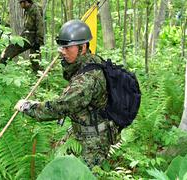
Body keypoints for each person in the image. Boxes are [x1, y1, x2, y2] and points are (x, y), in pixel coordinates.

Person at [15, 20, 120, 168]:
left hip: (94, 141)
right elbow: (71, 75)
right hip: (80, 130)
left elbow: (61, 106)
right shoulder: (90, 60)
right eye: (61, 47)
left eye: (67, 47)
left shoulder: (87, 80)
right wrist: (66, 57)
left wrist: (28, 107)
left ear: (82, 47)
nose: (62, 51)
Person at [0, 0, 44, 72]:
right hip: (28, 35)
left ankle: (41, 79)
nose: (20, 5)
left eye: (21, 3)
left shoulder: (35, 9)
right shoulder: (28, 9)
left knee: (35, 61)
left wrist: (38, 41)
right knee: (8, 52)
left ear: (25, 2)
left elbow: (40, 25)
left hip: (32, 38)